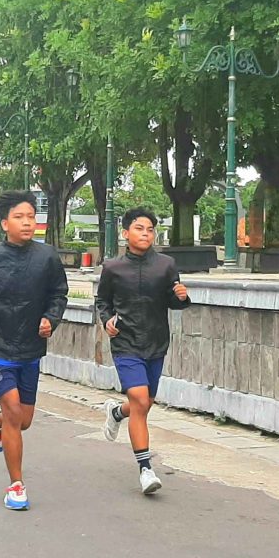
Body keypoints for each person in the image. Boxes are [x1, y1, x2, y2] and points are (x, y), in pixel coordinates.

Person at [0, 190, 69, 510]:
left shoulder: (47, 257)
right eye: (19, 217)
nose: (26, 223)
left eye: (31, 217)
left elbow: (59, 294)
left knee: (23, 420)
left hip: (30, 349)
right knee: (12, 409)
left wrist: (51, 318)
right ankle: (16, 485)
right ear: (4, 223)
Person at [95, 207, 191, 495]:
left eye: (150, 229)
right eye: (139, 228)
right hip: (126, 342)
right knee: (139, 398)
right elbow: (103, 301)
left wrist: (182, 298)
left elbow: (173, 301)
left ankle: (116, 412)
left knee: (144, 403)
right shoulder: (113, 267)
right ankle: (145, 469)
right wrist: (107, 321)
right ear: (126, 233)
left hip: (156, 341)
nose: (145, 233)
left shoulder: (166, 265)